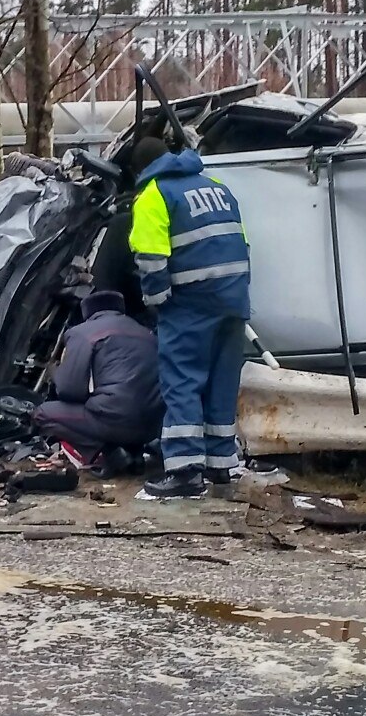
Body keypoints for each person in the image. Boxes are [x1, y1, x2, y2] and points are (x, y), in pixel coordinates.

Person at [130, 143, 251, 500]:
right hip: (233, 297)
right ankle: (220, 463)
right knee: (221, 380)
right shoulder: (217, 187)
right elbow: (242, 243)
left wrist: (155, 300)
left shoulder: (154, 194)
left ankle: (184, 471)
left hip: (191, 303)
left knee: (182, 380)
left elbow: (151, 257)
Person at [35, 290, 162, 476]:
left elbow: (69, 390)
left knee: (42, 414)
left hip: (115, 422)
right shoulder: (147, 333)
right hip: (153, 426)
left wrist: (55, 372)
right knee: (123, 405)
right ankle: (134, 455)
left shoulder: (81, 333)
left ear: (87, 313)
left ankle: (111, 453)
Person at [90, 137, 169, 325]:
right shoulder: (199, 197)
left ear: (136, 174)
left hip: (149, 324)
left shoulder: (132, 217)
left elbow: (103, 283)